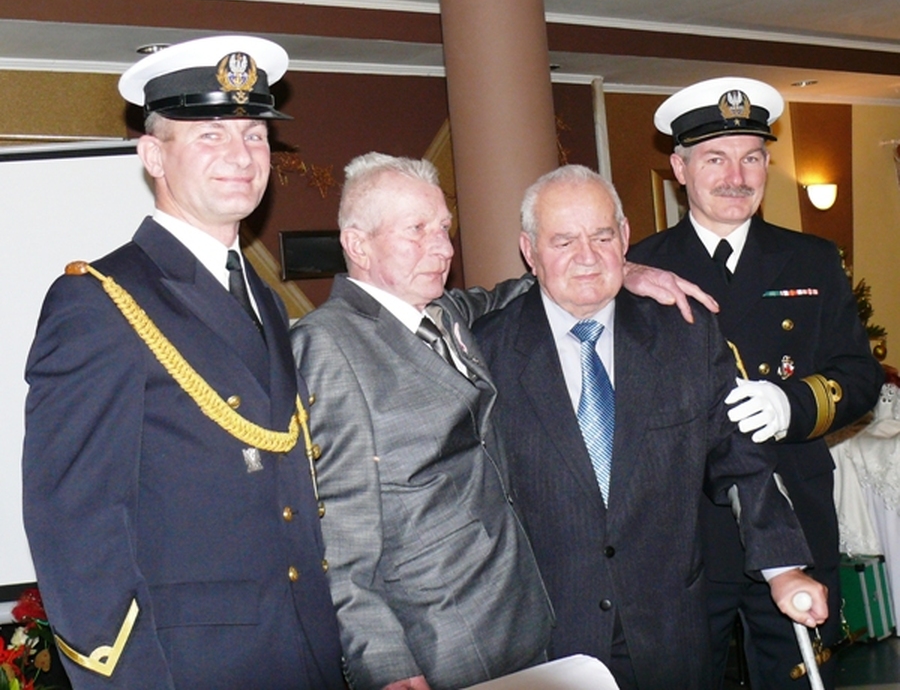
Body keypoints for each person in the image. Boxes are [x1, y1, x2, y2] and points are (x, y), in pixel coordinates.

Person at [290, 152, 716, 690]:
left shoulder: (441, 314)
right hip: (434, 642)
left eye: (443, 228)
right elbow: (335, 530)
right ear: (357, 244)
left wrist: (616, 267)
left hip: (519, 623)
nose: (443, 249)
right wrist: (386, 662)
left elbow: (528, 287)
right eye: (417, 231)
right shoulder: (328, 344)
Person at [22, 36, 345, 689]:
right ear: (152, 156)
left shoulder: (261, 296)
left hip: (303, 654)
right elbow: (75, 531)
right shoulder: (100, 302)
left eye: (255, 135)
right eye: (210, 135)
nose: (241, 156)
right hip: (194, 667)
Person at [472, 164, 828, 690]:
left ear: (624, 237)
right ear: (530, 250)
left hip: (670, 632)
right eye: (563, 241)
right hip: (547, 638)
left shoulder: (683, 335)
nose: (587, 257)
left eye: (601, 237)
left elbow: (739, 459)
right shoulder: (486, 352)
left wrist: (783, 569)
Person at [628, 77, 885, 690]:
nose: (736, 176)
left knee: (799, 677)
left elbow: (860, 376)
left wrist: (791, 405)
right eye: (715, 159)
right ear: (680, 169)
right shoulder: (641, 267)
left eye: (751, 157)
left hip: (794, 508)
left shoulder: (812, 258)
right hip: (685, 524)